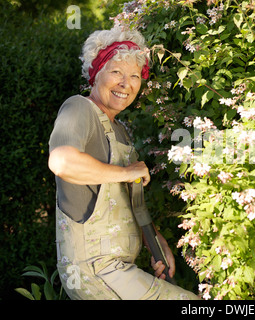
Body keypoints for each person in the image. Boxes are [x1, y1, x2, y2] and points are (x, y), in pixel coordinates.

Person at [48, 26, 199, 300]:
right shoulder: (79, 108)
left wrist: (154, 241)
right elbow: (62, 161)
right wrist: (127, 171)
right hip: (96, 269)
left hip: (116, 268)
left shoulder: (120, 129)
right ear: (96, 73)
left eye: (134, 76)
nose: (125, 83)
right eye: (116, 72)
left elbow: (124, 195)